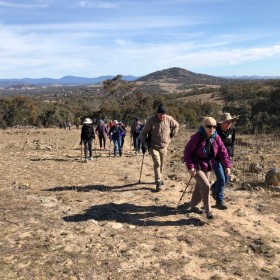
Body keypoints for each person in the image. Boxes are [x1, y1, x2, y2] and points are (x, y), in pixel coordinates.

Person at [183, 117, 232, 219]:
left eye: (214, 126)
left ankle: (193, 206)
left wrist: (227, 165)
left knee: (199, 186)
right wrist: (191, 167)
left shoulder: (216, 137)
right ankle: (208, 211)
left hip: (207, 165)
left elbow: (224, 152)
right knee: (206, 185)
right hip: (196, 164)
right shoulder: (197, 137)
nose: (212, 128)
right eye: (209, 126)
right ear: (203, 126)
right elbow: (187, 151)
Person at [141, 104, 179, 192]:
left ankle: (160, 177)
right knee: (157, 163)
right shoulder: (151, 121)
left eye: (164, 114)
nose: (162, 116)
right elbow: (143, 133)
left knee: (161, 164)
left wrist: (173, 133)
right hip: (153, 146)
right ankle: (158, 183)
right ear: (157, 114)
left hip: (164, 146)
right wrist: (143, 143)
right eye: (160, 114)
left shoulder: (169, 119)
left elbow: (177, 125)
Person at [211, 112, 238, 210]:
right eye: (226, 122)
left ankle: (214, 188)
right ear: (221, 123)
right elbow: (210, 144)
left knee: (226, 179)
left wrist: (232, 154)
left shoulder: (232, 131)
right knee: (222, 179)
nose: (228, 124)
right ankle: (219, 201)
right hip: (216, 159)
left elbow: (232, 143)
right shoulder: (215, 132)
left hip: (227, 159)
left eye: (230, 122)